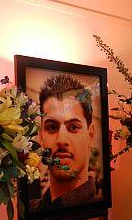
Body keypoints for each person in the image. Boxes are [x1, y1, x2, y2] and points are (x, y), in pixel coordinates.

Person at [34, 74, 101, 211]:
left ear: (90, 134)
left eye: (74, 127)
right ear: (41, 136)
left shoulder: (97, 208)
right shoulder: (30, 209)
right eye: (52, 127)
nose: (62, 140)